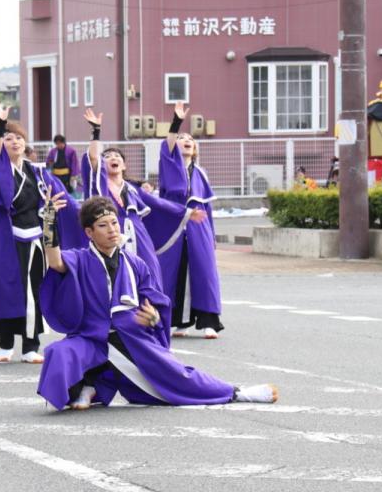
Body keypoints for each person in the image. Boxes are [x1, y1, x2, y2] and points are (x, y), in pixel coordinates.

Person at [36, 197, 277, 410]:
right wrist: (49, 223)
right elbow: (55, 260)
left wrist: (152, 318)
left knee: (177, 377)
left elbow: (156, 305)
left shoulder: (135, 263)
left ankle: (236, 392)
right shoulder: (80, 258)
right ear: (89, 232)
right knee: (60, 353)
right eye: (102, 225)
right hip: (91, 338)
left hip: (128, 338)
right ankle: (86, 385)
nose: (111, 230)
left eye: (114, 223)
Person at [81, 108, 206, 341]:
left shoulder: (133, 190)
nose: (113, 159)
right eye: (108, 156)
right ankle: (113, 332)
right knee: (113, 286)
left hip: (139, 241)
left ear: (125, 166)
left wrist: (186, 213)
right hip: (111, 241)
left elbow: (160, 205)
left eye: (118, 156)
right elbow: (92, 160)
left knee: (150, 282)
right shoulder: (97, 186)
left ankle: (153, 333)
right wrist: (96, 131)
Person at [0, 98, 82, 364]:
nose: (15, 142)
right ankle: (5, 342)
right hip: (6, 235)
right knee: (7, 288)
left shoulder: (38, 173)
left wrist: (83, 212)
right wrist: (1, 123)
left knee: (34, 289)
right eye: (9, 138)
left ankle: (31, 345)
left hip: (34, 236)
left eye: (19, 138)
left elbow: (63, 199)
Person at [157, 101, 224, 339]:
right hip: (175, 224)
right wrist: (176, 122)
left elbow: (208, 207)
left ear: (195, 149)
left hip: (199, 225)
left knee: (203, 271)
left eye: (191, 140)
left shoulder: (201, 173)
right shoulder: (168, 166)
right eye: (182, 138)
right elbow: (168, 145)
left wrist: (212, 235)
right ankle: (180, 321)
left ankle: (209, 321)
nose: (186, 140)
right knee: (175, 270)